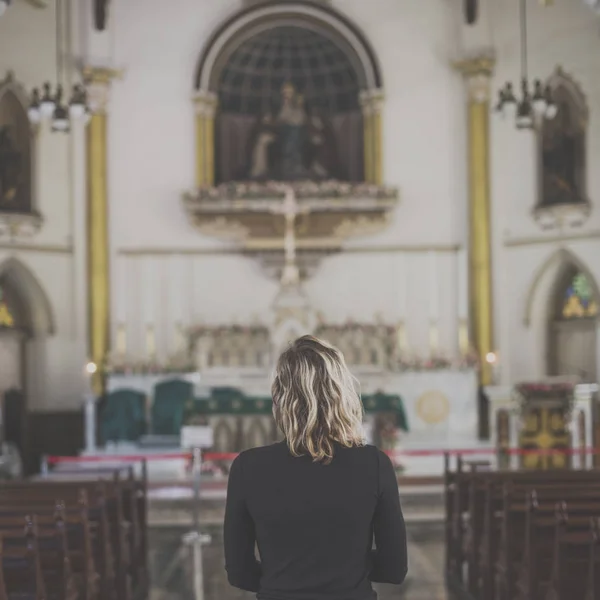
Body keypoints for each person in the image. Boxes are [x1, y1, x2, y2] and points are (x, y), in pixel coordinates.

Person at [224, 335, 408, 599]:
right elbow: (394, 569)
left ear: (279, 397)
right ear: (340, 394)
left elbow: (239, 572)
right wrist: (346, 572)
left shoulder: (247, 467)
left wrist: (284, 580)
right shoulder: (374, 464)